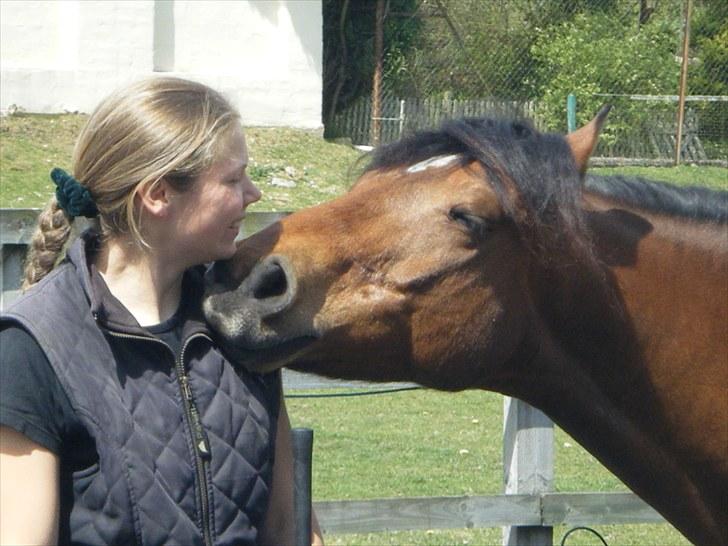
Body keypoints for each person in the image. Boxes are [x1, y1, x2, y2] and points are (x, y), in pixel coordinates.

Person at [0, 77, 323, 546]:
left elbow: (292, 531)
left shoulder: (240, 318)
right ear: (158, 196)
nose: (252, 194)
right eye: (233, 179)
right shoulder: (30, 348)